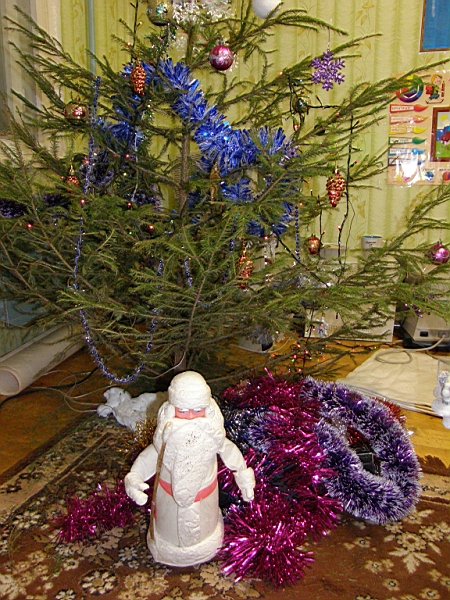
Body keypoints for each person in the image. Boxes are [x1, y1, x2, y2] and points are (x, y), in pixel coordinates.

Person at [124, 370, 255, 567]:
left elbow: (229, 452)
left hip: (205, 503)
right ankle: (169, 547)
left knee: (204, 526)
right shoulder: (166, 436)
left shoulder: (211, 435)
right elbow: (151, 456)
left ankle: (206, 542)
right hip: (169, 504)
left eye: (198, 410)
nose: (191, 417)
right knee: (169, 527)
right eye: (183, 411)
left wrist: (243, 477)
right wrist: (135, 477)